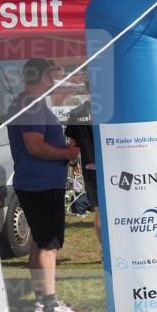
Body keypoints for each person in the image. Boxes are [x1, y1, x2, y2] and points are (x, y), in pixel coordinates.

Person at [6, 58, 85, 312]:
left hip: (36, 183)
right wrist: (68, 153)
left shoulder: (27, 102)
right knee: (49, 244)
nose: (59, 81)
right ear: (44, 76)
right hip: (40, 184)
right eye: (56, 75)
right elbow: (35, 147)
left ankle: (43, 301)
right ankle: (50, 305)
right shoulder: (31, 104)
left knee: (40, 242)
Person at [64, 96, 102, 247]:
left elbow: (73, 147)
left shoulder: (77, 113)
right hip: (115, 167)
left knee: (100, 210)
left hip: (91, 170)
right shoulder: (114, 106)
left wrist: (72, 162)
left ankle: (104, 250)